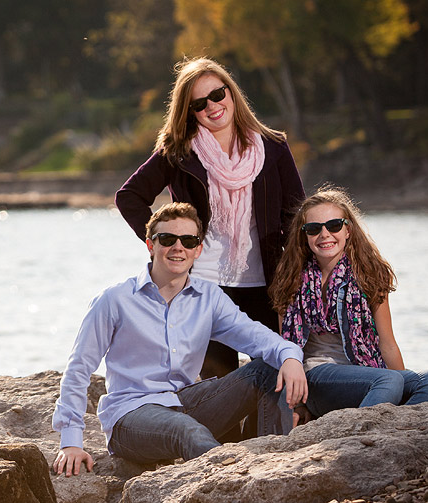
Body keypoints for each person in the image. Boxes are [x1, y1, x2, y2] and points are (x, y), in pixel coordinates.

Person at [51, 202, 306, 475]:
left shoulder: (208, 298)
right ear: (151, 245)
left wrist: (290, 356)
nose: (178, 247)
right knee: (186, 430)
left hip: (183, 403)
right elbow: (79, 368)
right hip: (130, 418)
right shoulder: (114, 300)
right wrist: (70, 442)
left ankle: (273, 463)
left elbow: (256, 336)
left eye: (188, 240)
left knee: (269, 368)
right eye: (167, 239)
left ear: (198, 249)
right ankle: (236, 481)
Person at [116, 57, 304, 380]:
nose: (212, 106)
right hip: (204, 284)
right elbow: (129, 197)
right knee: (219, 382)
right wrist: (167, 245)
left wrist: (299, 272)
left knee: (275, 371)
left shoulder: (273, 148)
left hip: (266, 283)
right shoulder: (178, 152)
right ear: (190, 112)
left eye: (218, 94)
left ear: (231, 93)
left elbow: (297, 216)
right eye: (199, 103)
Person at [270, 187, 428, 421]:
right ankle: (359, 430)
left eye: (334, 225)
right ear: (304, 237)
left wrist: (402, 387)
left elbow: (387, 344)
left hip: (367, 374)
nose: (325, 234)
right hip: (316, 377)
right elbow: (286, 349)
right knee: (388, 380)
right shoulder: (291, 280)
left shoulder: (370, 275)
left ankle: (391, 425)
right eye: (314, 229)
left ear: (348, 230)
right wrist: (295, 405)